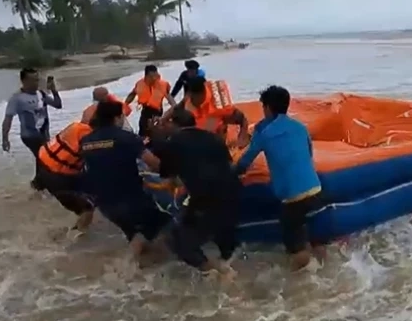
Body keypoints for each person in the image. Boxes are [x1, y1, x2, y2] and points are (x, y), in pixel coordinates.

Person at [234, 85, 324, 271]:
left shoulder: (265, 134)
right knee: (306, 232)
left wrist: (229, 173)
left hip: (293, 198)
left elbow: (245, 162)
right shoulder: (300, 127)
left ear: (267, 108)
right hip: (316, 189)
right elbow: (308, 154)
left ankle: (303, 285)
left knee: (294, 247)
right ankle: (321, 265)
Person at [79, 101, 171, 264]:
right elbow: (154, 164)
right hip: (130, 200)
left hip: (103, 203)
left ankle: (137, 268)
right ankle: (125, 268)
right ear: (117, 117)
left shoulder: (85, 141)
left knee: (136, 234)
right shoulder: (126, 138)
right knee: (164, 222)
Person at [155, 108, 240, 280]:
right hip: (233, 192)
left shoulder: (172, 143)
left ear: (174, 123)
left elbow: (167, 177)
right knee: (225, 243)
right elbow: (228, 166)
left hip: (205, 197)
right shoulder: (213, 138)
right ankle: (230, 266)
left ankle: (215, 274)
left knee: (177, 239)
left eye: (166, 122)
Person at [2, 68, 63, 190]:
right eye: (33, 80)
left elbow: (58, 105)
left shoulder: (41, 94)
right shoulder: (17, 98)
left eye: (37, 79)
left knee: (42, 159)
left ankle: (38, 185)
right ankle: (42, 185)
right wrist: (5, 139)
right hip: (29, 135)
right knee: (46, 158)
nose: (36, 83)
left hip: (43, 133)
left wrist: (54, 90)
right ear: (23, 81)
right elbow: (8, 119)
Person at [36, 120, 96, 237]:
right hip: (57, 177)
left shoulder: (77, 127)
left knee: (90, 192)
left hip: (43, 162)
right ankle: (76, 239)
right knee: (88, 208)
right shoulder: (91, 138)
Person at [173, 76, 250, 145]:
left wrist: (242, 135)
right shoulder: (189, 98)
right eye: (190, 97)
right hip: (197, 128)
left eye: (194, 99)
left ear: (201, 94)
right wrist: (163, 120)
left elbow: (242, 118)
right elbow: (175, 109)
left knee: (217, 126)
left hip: (214, 126)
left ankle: (220, 146)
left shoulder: (220, 104)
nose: (191, 101)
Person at [125, 65, 176, 138]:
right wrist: (125, 104)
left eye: (155, 76)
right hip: (145, 110)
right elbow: (132, 94)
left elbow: (170, 99)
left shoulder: (162, 85)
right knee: (142, 131)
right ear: (146, 76)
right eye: (151, 76)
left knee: (155, 133)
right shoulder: (140, 83)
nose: (154, 78)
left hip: (157, 112)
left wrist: (173, 109)